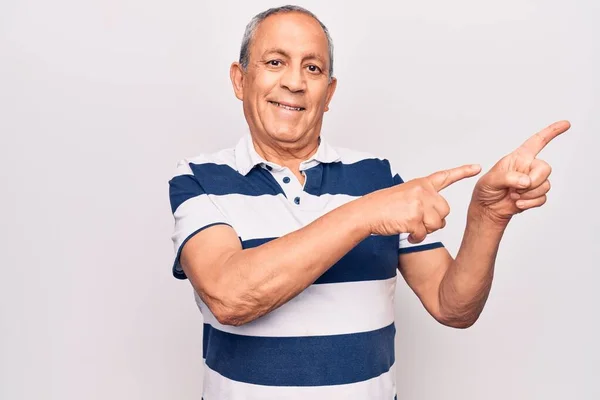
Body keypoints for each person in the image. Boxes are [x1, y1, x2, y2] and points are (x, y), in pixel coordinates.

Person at [168, 5, 569, 399]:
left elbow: (453, 307)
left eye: (313, 68)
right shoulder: (198, 178)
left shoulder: (378, 178)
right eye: (275, 62)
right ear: (240, 80)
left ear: (329, 92)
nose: (294, 82)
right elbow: (230, 297)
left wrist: (489, 216)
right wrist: (366, 213)